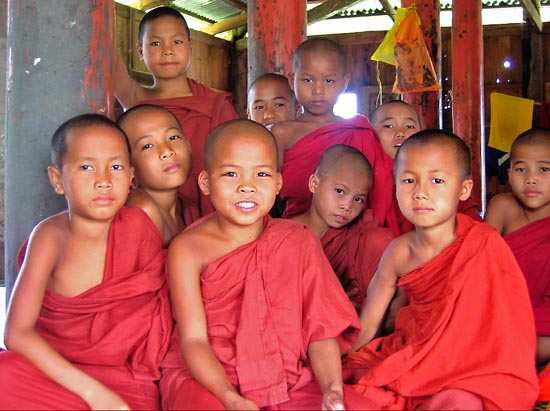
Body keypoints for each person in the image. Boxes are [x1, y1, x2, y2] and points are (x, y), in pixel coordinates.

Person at [159, 119, 379, 410]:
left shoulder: (296, 240)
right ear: (206, 183)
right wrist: (230, 398)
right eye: (230, 174)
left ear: (278, 183)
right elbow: (193, 341)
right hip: (208, 377)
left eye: (261, 174)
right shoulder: (187, 249)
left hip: (282, 375)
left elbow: (320, 332)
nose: (247, 187)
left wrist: (332, 389)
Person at [343, 130, 539, 410]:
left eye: (437, 181)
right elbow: (369, 326)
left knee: (462, 401)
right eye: (409, 180)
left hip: (473, 362)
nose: (421, 192)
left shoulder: (483, 242)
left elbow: (508, 326)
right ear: (395, 185)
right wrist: (340, 359)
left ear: (464, 190)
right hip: (417, 351)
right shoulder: (398, 252)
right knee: (348, 381)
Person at [0, 114, 172, 410]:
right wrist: (94, 395)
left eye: (116, 167)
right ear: (58, 180)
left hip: (124, 378)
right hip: (57, 373)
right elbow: (16, 333)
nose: (104, 181)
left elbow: (163, 305)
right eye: (86, 167)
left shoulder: (140, 225)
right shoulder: (50, 236)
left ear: (131, 177)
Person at [113, 6, 238, 225]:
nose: (167, 50)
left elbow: (239, 159)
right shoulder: (136, 99)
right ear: (140, 52)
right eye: (155, 43)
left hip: (216, 218)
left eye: (177, 42)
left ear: (190, 47)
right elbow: (107, 57)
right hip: (157, 217)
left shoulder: (214, 104)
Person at [270, 37, 399, 236]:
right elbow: (270, 190)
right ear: (291, 79)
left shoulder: (358, 131)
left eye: (329, 80)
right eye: (308, 80)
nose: (318, 90)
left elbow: (379, 187)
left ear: (344, 82)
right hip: (297, 230)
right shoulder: (282, 133)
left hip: (351, 234)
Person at [290, 144, 393, 311]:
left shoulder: (363, 238)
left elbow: (384, 308)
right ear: (314, 184)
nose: (347, 206)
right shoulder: (282, 234)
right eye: (340, 191)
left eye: (358, 199)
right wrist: (331, 303)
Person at [485, 128, 550, 368]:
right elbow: (481, 262)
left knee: (541, 347)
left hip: (543, 313)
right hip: (502, 307)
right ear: (509, 174)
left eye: (544, 169)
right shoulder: (503, 206)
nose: (531, 178)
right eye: (521, 169)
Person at [371, 100, 482, 234]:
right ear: (372, 134)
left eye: (409, 126)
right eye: (388, 126)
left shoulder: (448, 181)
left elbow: (473, 233)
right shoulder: (365, 179)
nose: (400, 133)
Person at [117, 104, 192, 246]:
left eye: (173, 137)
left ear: (189, 146)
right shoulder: (141, 211)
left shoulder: (184, 206)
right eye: (147, 146)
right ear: (129, 165)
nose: (167, 151)